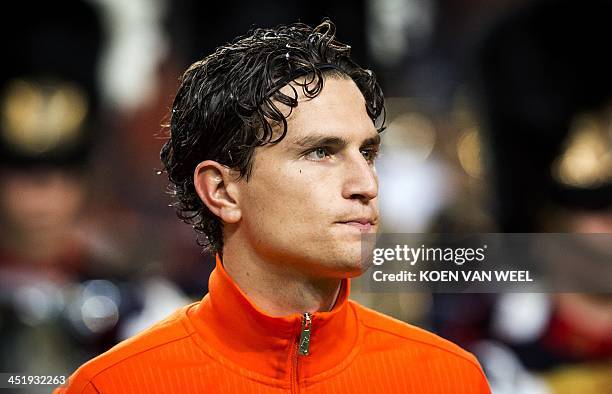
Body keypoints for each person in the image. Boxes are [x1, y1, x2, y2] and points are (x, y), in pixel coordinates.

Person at [57, 20, 490, 393]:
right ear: (222, 191)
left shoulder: (449, 378)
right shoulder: (113, 386)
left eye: (368, 152)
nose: (367, 184)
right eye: (321, 152)